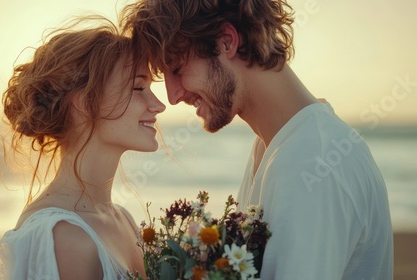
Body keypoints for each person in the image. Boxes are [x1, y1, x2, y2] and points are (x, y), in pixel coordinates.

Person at [120, 0, 393, 279]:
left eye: (176, 69)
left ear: (226, 42)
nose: (173, 96)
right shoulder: (273, 146)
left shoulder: (312, 160)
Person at [0, 16, 165, 279]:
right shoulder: (64, 238)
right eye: (138, 87)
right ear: (85, 102)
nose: (158, 105)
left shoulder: (125, 220)